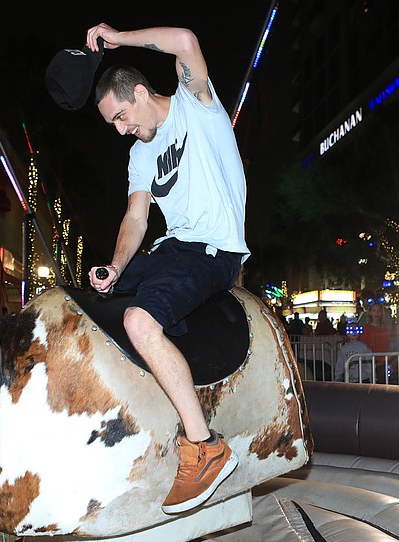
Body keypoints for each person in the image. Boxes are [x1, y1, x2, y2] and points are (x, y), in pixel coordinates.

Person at [85, 23, 248, 515]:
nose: (121, 129)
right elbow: (136, 218)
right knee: (95, 301)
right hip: (172, 248)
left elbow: (184, 41)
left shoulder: (196, 106)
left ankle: (205, 447)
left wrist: (119, 37)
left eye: (121, 116)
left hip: (214, 250)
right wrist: (115, 268)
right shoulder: (140, 154)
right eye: (112, 124)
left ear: (139, 92)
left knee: (140, 321)